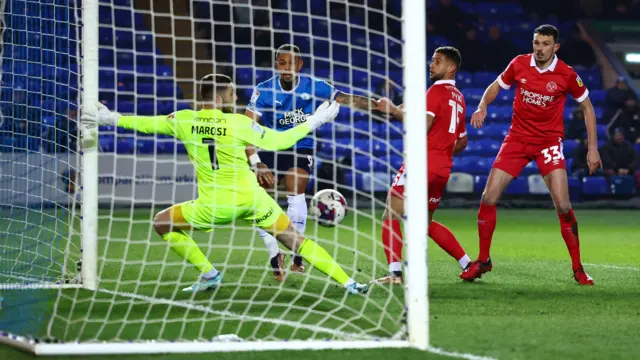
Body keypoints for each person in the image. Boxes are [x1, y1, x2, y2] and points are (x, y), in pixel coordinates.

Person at [81, 74, 369, 295]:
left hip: (215, 206)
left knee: (161, 223)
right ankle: (350, 283)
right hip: (254, 200)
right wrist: (315, 120)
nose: (235, 97)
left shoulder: (183, 120)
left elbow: (146, 123)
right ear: (219, 99)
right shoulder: (239, 124)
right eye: (232, 93)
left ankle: (209, 274)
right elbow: (282, 141)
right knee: (296, 241)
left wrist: (110, 118)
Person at [460, 25, 602, 285]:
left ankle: (578, 268)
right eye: (536, 43)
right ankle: (483, 260)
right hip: (516, 140)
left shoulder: (567, 74)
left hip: (548, 143)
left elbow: (588, 108)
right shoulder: (519, 64)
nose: (539, 48)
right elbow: (495, 86)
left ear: (555, 47)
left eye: (545, 44)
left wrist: (593, 148)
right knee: (488, 197)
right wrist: (482, 106)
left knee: (563, 205)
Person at [245, 44, 377, 282]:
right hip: (271, 145)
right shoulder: (262, 90)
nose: (287, 68)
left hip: (301, 146)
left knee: (295, 194)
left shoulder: (314, 85)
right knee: (260, 200)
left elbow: (344, 99)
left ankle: (297, 254)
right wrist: (256, 162)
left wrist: (376, 104)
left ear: (300, 65)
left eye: (291, 63)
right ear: (276, 65)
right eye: (282, 63)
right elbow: (246, 127)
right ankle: (275, 255)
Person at [372, 46, 471, 284]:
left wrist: (394, 111)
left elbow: (421, 126)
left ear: (451, 68)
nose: (431, 65)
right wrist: (442, 148)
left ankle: (395, 274)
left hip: (421, 164)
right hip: (441, 169)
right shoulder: (459, 97)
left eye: (437, 61)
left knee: (391, 214)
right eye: (432, 61)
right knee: (424, 223)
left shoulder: (436, 92)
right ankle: (468, 263)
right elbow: (462, 142)